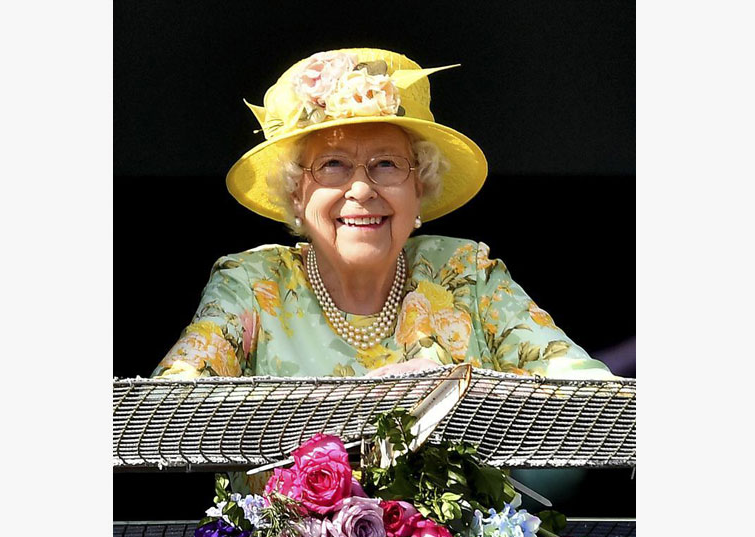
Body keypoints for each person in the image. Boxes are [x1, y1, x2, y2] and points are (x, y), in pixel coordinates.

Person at [153, 48, 613, 380]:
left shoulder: (467, 275)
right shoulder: (253, 283)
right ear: (296, 194)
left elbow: (587, 390)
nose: (360, 189)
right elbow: (171, 406)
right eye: (332, 165)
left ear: (420, 187)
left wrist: (464, 391)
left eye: (386, 165)